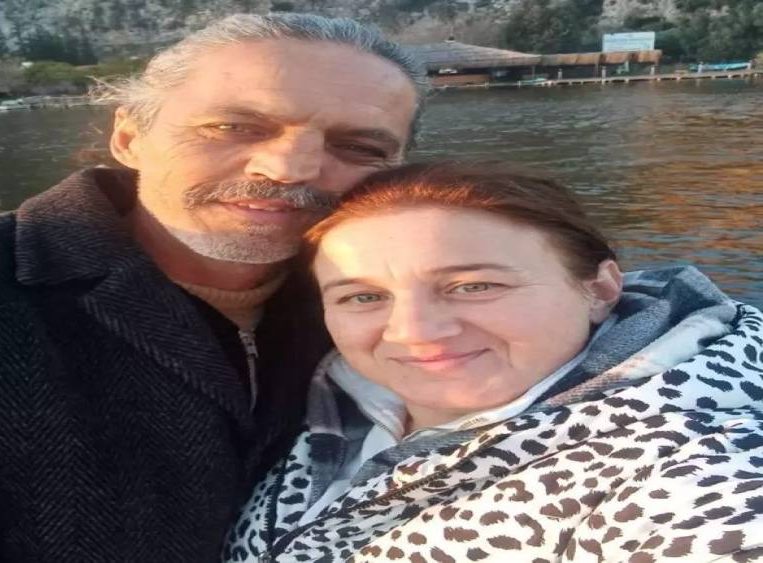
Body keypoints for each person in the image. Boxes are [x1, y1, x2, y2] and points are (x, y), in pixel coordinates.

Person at [0, 13, 426, 562]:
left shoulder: (421, 310)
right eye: (235, 127)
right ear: (129, 136)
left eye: (359, 147)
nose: (290, 168)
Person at [225, 162, 763, 562]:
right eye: (363, 297)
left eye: (474, 285)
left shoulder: (698, 467)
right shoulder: (322, 402)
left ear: (600, 289)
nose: (413, 331)